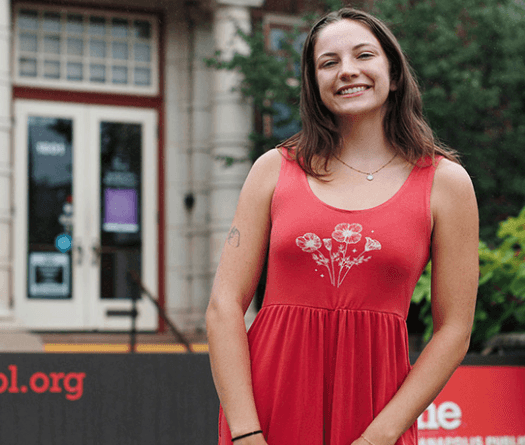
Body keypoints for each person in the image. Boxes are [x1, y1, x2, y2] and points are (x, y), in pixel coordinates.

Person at [205, 7, 478, 445]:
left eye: (363, 55)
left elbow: (455, 331)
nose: (347, 70)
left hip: (376, 413)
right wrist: (245, 431)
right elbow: (224, 306)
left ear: (394, 72)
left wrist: (380, 435)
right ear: (314, 84)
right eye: (328, 62)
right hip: (268, 408)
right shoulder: (273, 169)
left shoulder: (446, 184)